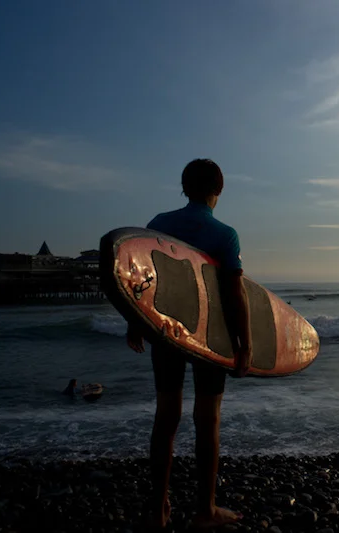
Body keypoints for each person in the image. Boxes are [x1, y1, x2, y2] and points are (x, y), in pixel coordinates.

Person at [125, 159, 253, 530]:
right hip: (210, 336)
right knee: (207, 419)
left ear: (183, 187)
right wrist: (244, 344)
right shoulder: (225, 235)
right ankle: (204, 509)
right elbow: (235, 293)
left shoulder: (158, 225)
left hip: (167, 332)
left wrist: (137, 322)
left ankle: (157, 509)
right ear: (220, 190)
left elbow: (141, 278)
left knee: (166, 417)